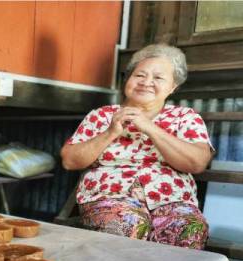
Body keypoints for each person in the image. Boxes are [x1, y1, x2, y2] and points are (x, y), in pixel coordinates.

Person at [60, 44, 213, 249]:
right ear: (128, 80)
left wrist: (150, 127)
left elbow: (197, 163)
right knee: (128, 223)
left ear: (173, 87)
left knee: (188, 228)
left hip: (173, 200)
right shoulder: (102, 115)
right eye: (139, 75)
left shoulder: (185, 117)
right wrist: (110, 132)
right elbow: (69, 161)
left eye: (158, 78)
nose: (146, 82)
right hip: (110, 197)